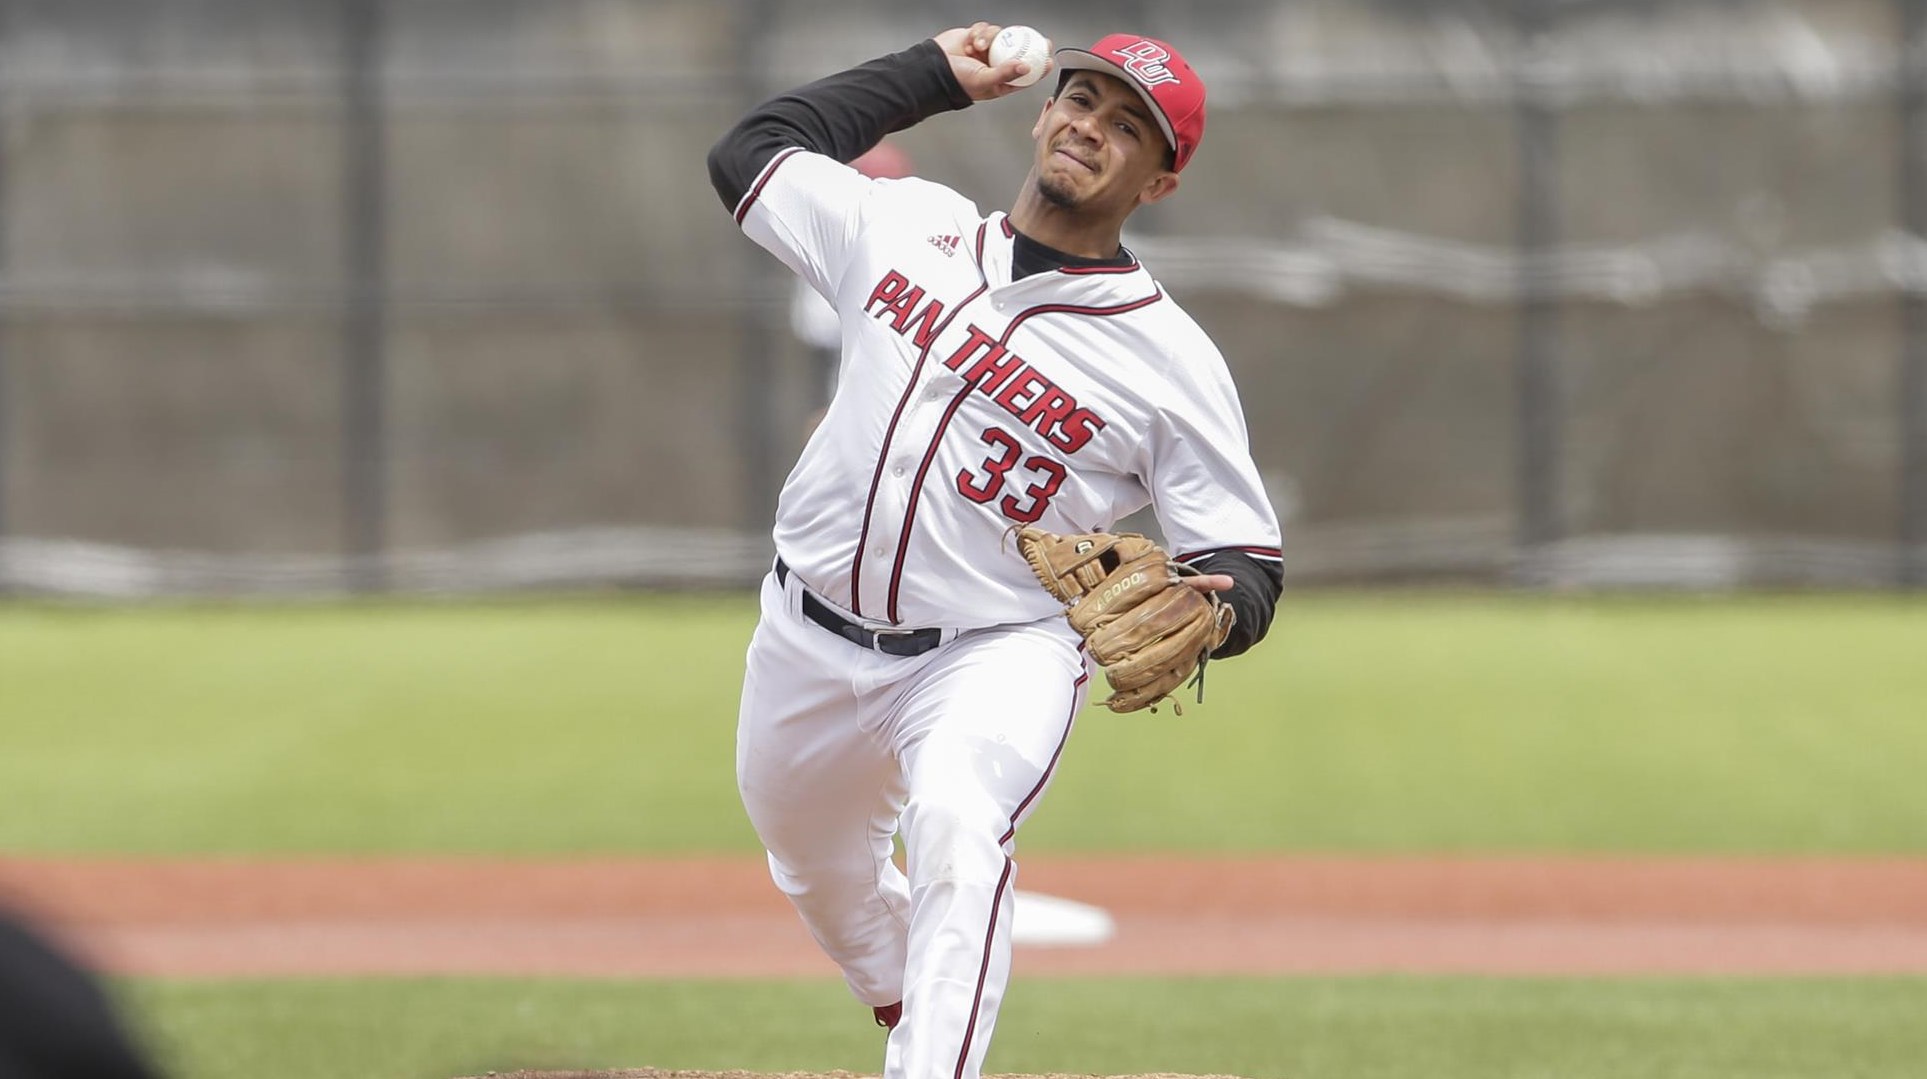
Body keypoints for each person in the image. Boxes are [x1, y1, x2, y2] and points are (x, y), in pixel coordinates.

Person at [707, 22, 1282, 1079]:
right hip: (804, 630)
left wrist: (1216, 609)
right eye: (1081, 102)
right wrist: (930, 73)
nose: (1089, 129)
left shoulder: (1169, 360)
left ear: (1158, 181)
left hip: (991, 648)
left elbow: (1247, 559)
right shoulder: (902, 228)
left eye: (1126, 128)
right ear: (1042, 112)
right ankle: (900, 996)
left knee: (959, 823)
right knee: (817, 870)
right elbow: (752, 151)